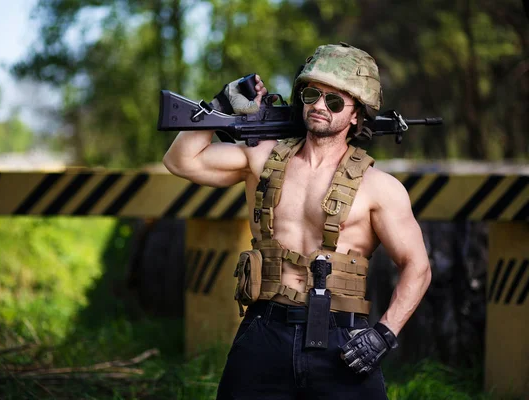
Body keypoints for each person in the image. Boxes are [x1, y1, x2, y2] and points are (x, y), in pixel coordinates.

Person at [163, 43, 431, 400]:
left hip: (343, 341)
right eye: (311, 94)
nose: (319, 106)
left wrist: (384, 335)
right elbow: (180, 161)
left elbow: (418, 267)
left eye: (335, 102)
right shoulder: (260, 159)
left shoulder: (380, 188)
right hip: (264, 330)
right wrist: (220, 106)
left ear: (356, 115)